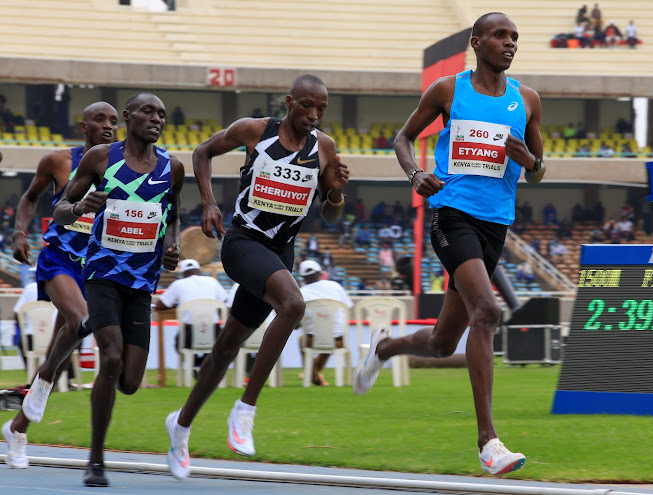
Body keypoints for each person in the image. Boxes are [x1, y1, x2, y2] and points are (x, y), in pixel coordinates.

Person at [356, 12, 545, 476]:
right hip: (451, 213)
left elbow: (541, 169)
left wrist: (529, 160)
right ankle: (488, 442)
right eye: (500, 36)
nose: (510, 43)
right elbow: (402, 138)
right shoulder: (446, 90)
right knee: (488, 310)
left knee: (443, 343)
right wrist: (416, 173)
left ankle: (385, 348)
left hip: (495, 224)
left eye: (514, 38)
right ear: (477, 42)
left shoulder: (527, 100)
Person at [164, 74, 348, 480]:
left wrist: (334, 192)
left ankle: (180, 425)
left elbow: (332, 212)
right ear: (289, 102)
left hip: (281, 251)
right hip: (243, 241)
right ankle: (245, 410)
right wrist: (209, 204)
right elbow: (202, 152)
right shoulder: (255, 131)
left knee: (227, 345)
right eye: (306, 106)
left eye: (321, 109)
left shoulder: (325, 148)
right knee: (294, 303)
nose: (313, 115)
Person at [52, 92, 184, 486]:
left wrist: (171, 247)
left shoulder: (172, 168)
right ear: (127, 117)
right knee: (109, 359)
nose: (156, 118)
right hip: (103, 275)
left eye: (161, 114)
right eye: (147, 111)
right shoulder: (100, 159)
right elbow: (58, 211)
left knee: (128, 381)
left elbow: (173, 214)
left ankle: (95, 333)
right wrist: (79, 208)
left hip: (142, 284)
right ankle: (96, 460)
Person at [2, 102, 118, 471]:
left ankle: (18, 428)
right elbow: (30, 198)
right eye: (100, 119)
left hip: (97, 265)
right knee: (82, 322)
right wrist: (20, 232)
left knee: (63, 341)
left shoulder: (123, 167)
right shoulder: (57, 161)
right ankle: (44, 384)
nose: (108, 126)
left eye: (114, 121)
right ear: (83, 126)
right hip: (60, 258)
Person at [155, 259, 229, 368]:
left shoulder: (178, 284)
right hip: (214, 332)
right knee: (212, 348)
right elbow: (225, 302)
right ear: (199, 271)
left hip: (189, 334)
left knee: (179, 345)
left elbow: (159, 306)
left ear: (183, 273)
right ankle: (204, 366)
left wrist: (175, 304)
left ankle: (195, 366)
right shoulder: (212, 281)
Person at [296, 260, 353, 386]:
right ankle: (314, 374)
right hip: (339, 340)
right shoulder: (335, 286)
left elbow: (297, 320)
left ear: (303, 277)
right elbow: (347, 307)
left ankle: (314, 377)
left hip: (313, 340)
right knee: (329, 335)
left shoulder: (301, 292)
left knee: (302, 340)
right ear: (319, 273)